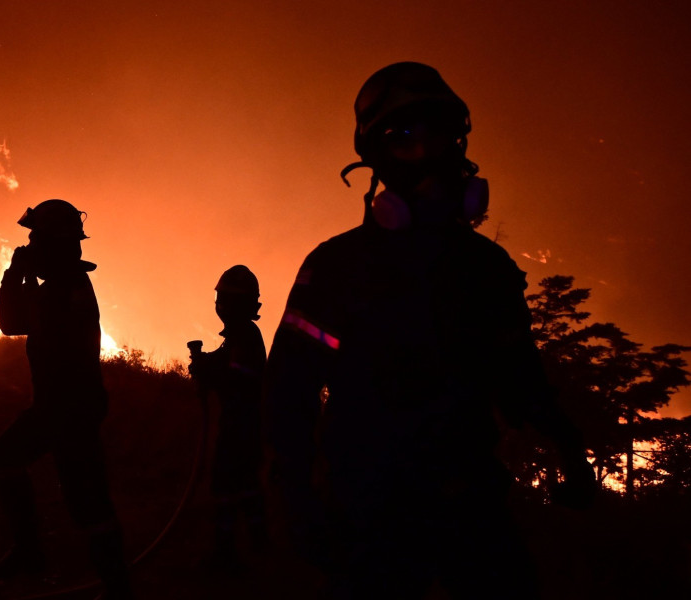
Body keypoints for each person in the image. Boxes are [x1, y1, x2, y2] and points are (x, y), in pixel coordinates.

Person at [266, 62, 596, 599]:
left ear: (459, 143)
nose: (426, 155)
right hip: (370, 509)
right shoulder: (336, 269)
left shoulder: (487, 270)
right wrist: (297, 496)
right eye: (403, 139)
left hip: (471, 500)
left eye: (438, 135)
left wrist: (570, 448)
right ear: (375, 157)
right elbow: (291, 390)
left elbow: (520, 379)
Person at [0, 199, 133, 599]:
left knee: (88, 502)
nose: (29, 244)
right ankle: (34, 553)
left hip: (66, 409)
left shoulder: (59, 291)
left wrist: (13, 277)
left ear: (52, 243)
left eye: (35, 237)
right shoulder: (67, 283)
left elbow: (9, 323)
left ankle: (116, 587)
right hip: (67, 405)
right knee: (10, 460)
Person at [188, 265, 268, 571]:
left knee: (224, 486)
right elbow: (225, 365)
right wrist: (206, 363)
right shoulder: (239, 335)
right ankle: (260, 542)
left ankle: (226, 555)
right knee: (247, 482)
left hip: (240, 425)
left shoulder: (245, 336)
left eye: (224, 299)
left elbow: (240, 378)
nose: (220, 305)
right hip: (245, 424)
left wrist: (210, 373)